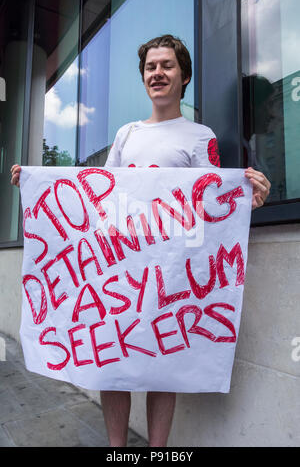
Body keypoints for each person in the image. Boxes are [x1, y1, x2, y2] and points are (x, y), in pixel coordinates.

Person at [11, 34, 271, 447]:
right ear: (144, 77)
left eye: (166, 65)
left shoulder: (199, 136)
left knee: (160, 366)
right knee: (112, 363)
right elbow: (101, 194)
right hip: (121, 268)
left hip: (170, 273)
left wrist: (248, 199)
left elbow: (212, 206)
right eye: (151, 67)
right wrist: (37, 183)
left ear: (183, 76)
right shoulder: (126, 135)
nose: (158, 73)